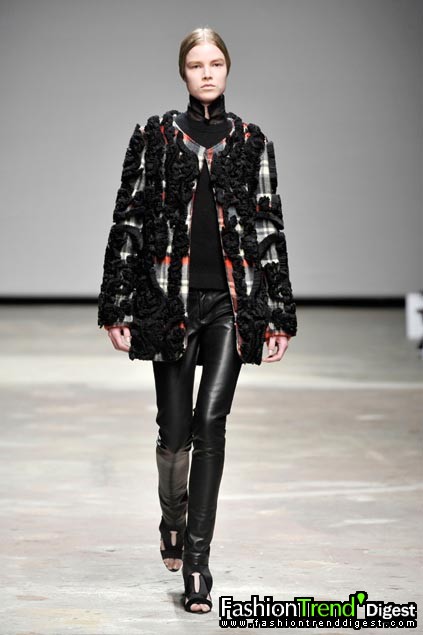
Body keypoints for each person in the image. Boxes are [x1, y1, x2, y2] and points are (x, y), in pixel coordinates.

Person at [97, 27, 297, 613]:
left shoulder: (253, 141)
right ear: (183, 73)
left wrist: (279, 313)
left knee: (212, 422)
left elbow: (268, 227)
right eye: (196, 65)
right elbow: (129, 218)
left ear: (227, 69)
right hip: (169, 300)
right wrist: (117, 304)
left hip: (232, 303)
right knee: (175, 429)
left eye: (215, 63)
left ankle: (198, 565)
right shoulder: (155, 137)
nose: (207, 73)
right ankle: (173, 520)